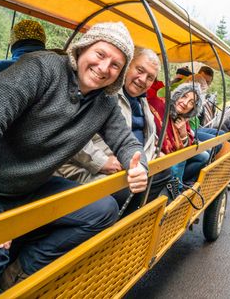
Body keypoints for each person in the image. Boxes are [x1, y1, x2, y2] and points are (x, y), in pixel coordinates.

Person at [0, 22, 148, 292]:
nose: (104, 68)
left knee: (103, 210)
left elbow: (125, 141)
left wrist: (138, 164)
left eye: (115, 65)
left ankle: (18, 275)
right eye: (100, 55)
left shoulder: (105, 102)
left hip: (33, 186)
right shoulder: (41, 67)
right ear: (83, 49)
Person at [57, 47, 170, 214]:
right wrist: (101, 161)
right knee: (126, 190)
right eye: (140, 70)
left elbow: (143, 139)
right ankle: (119, 227)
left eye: (150, 78)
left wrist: (153, 154)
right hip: (87, 166)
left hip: (125, 165)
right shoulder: (104, 92)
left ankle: (134, 219)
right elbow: (70, 133)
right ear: (127, 66)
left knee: (163, 172)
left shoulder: (142, 103)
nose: (142, 80)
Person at [148, 83, 208, 185]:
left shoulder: (183, 117)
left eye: (191, 103)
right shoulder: (160, 105)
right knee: (180, 159)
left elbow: (189, 143)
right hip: (159, 155)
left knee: (204, 156)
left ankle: (181, 181)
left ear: (192, 109)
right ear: (177, 95)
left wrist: (183, 134)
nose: (185, 103)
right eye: (184, 96)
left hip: (175, 156)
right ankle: (176, 187)